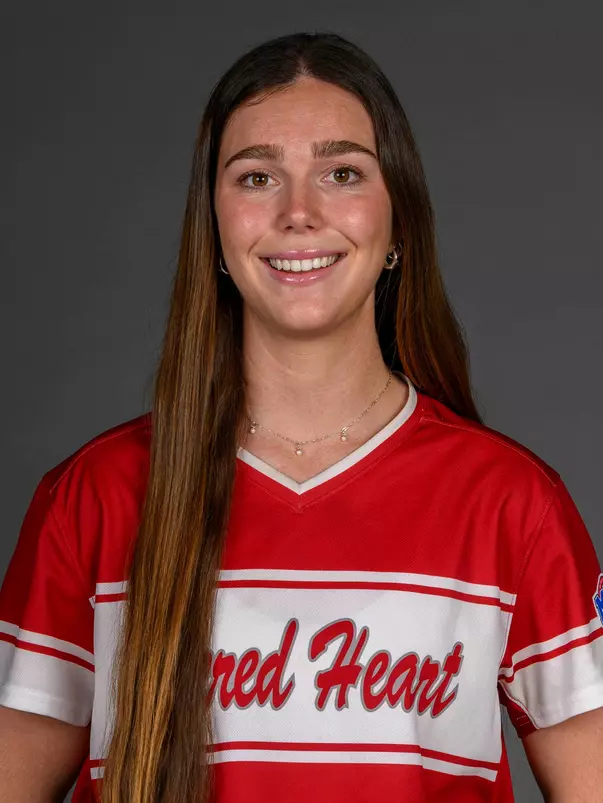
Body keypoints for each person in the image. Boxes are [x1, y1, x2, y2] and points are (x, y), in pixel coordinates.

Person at [1, 30, 602, 803]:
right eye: (255, 178)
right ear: (214, 230)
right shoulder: (94, 496)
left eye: (341, 172)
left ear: (397, 223)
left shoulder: (510, 502)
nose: (297, 212)